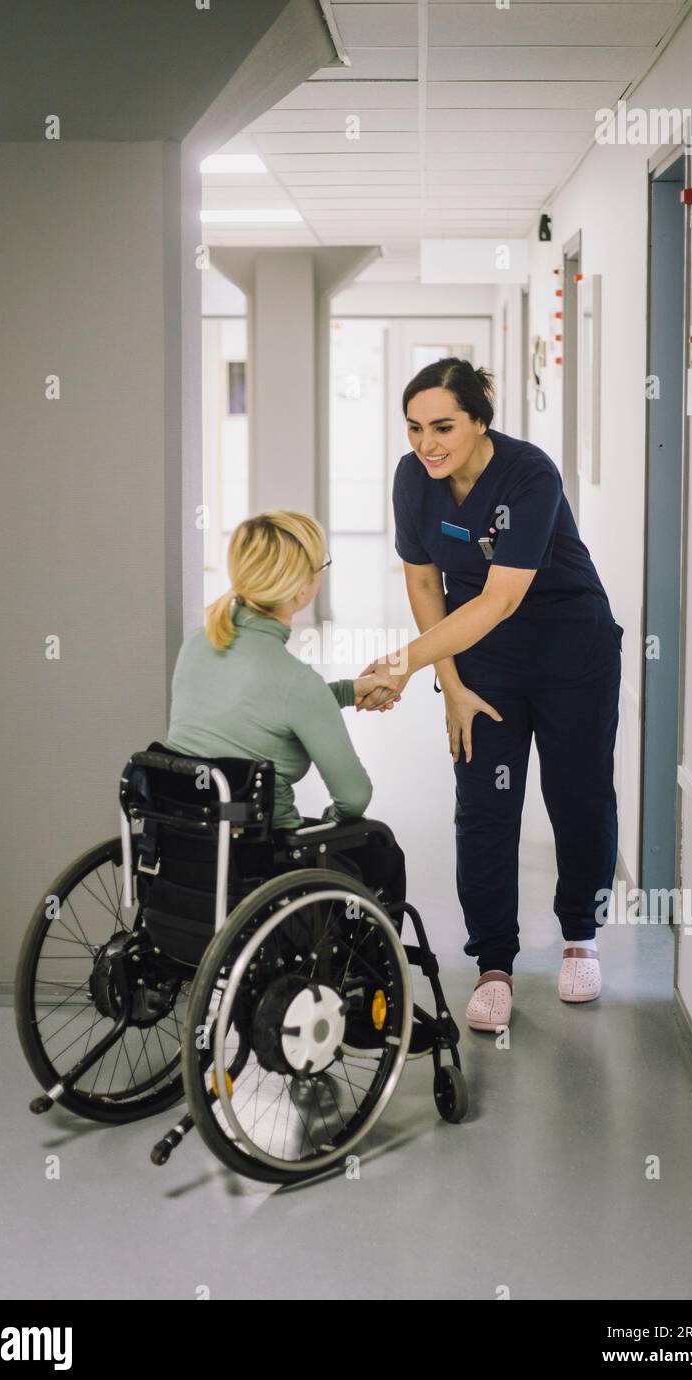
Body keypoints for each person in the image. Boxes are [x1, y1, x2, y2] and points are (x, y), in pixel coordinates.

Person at [357, 358, 623, 1030]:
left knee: (578, 794)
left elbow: (504, 596)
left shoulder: (529, 474)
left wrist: (401, 663)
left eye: (443, 426)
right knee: (484, 807)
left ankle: (580, 938)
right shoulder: (413, 481)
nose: (427, 443)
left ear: (480, 420)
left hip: (571, 649)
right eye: (414, 428)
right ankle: (494, 964)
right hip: (483, 660)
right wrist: (449, 684)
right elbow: (424, 586)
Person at [165, 509, 406, 919]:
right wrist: (336, 823)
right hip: (261, 863)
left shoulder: (196, 643)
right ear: (300, 590)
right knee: (379, 850)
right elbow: (354, 796)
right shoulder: (297, 682)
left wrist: (347, 691)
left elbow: (254, 708)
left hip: (183, 849)